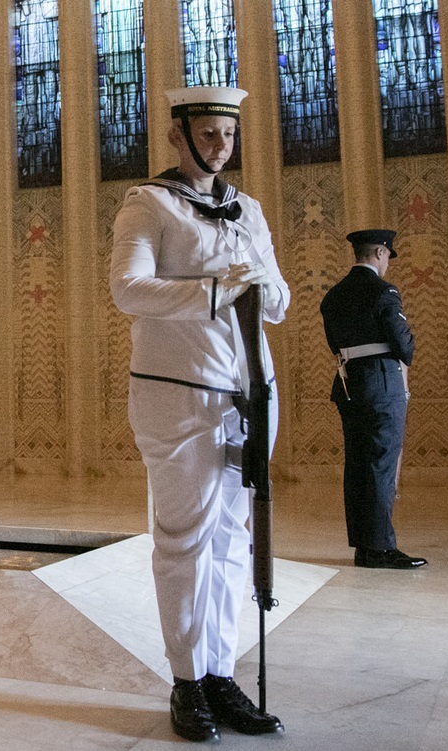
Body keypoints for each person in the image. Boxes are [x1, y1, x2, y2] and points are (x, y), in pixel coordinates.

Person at [111, 86, 289, 743]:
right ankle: (186, 679)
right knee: (184, 537)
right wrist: (216, 287)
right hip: (176, 390)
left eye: (227, 135)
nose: (219, 146)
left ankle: (219, 671)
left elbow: (277, 301)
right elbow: (126, 288)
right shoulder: (149, 203)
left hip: (249, 391)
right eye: (208, 134)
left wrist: (259, 282)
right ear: (177, 137)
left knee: (232, 539)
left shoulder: (249, 209)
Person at [320, 229, 428, 570]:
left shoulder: (333, 296)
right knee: (381, 464)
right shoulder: (384, 291)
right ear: (380, 253)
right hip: (382, 385)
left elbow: (334, 343)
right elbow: (404, 346)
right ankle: (381, 549)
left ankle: (364, 547)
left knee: (357, 467)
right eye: (387, 257)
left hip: (349, 384)